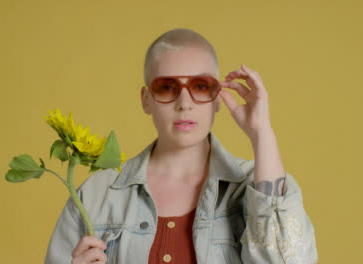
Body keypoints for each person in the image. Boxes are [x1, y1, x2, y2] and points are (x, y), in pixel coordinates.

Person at [44, 28, 318, 264]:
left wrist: (262, 135)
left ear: (218, 97)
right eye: (167, 87)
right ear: (146, 99)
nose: (184, 103)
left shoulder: (253, 187)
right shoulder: (95, 197)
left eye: (200, 86)